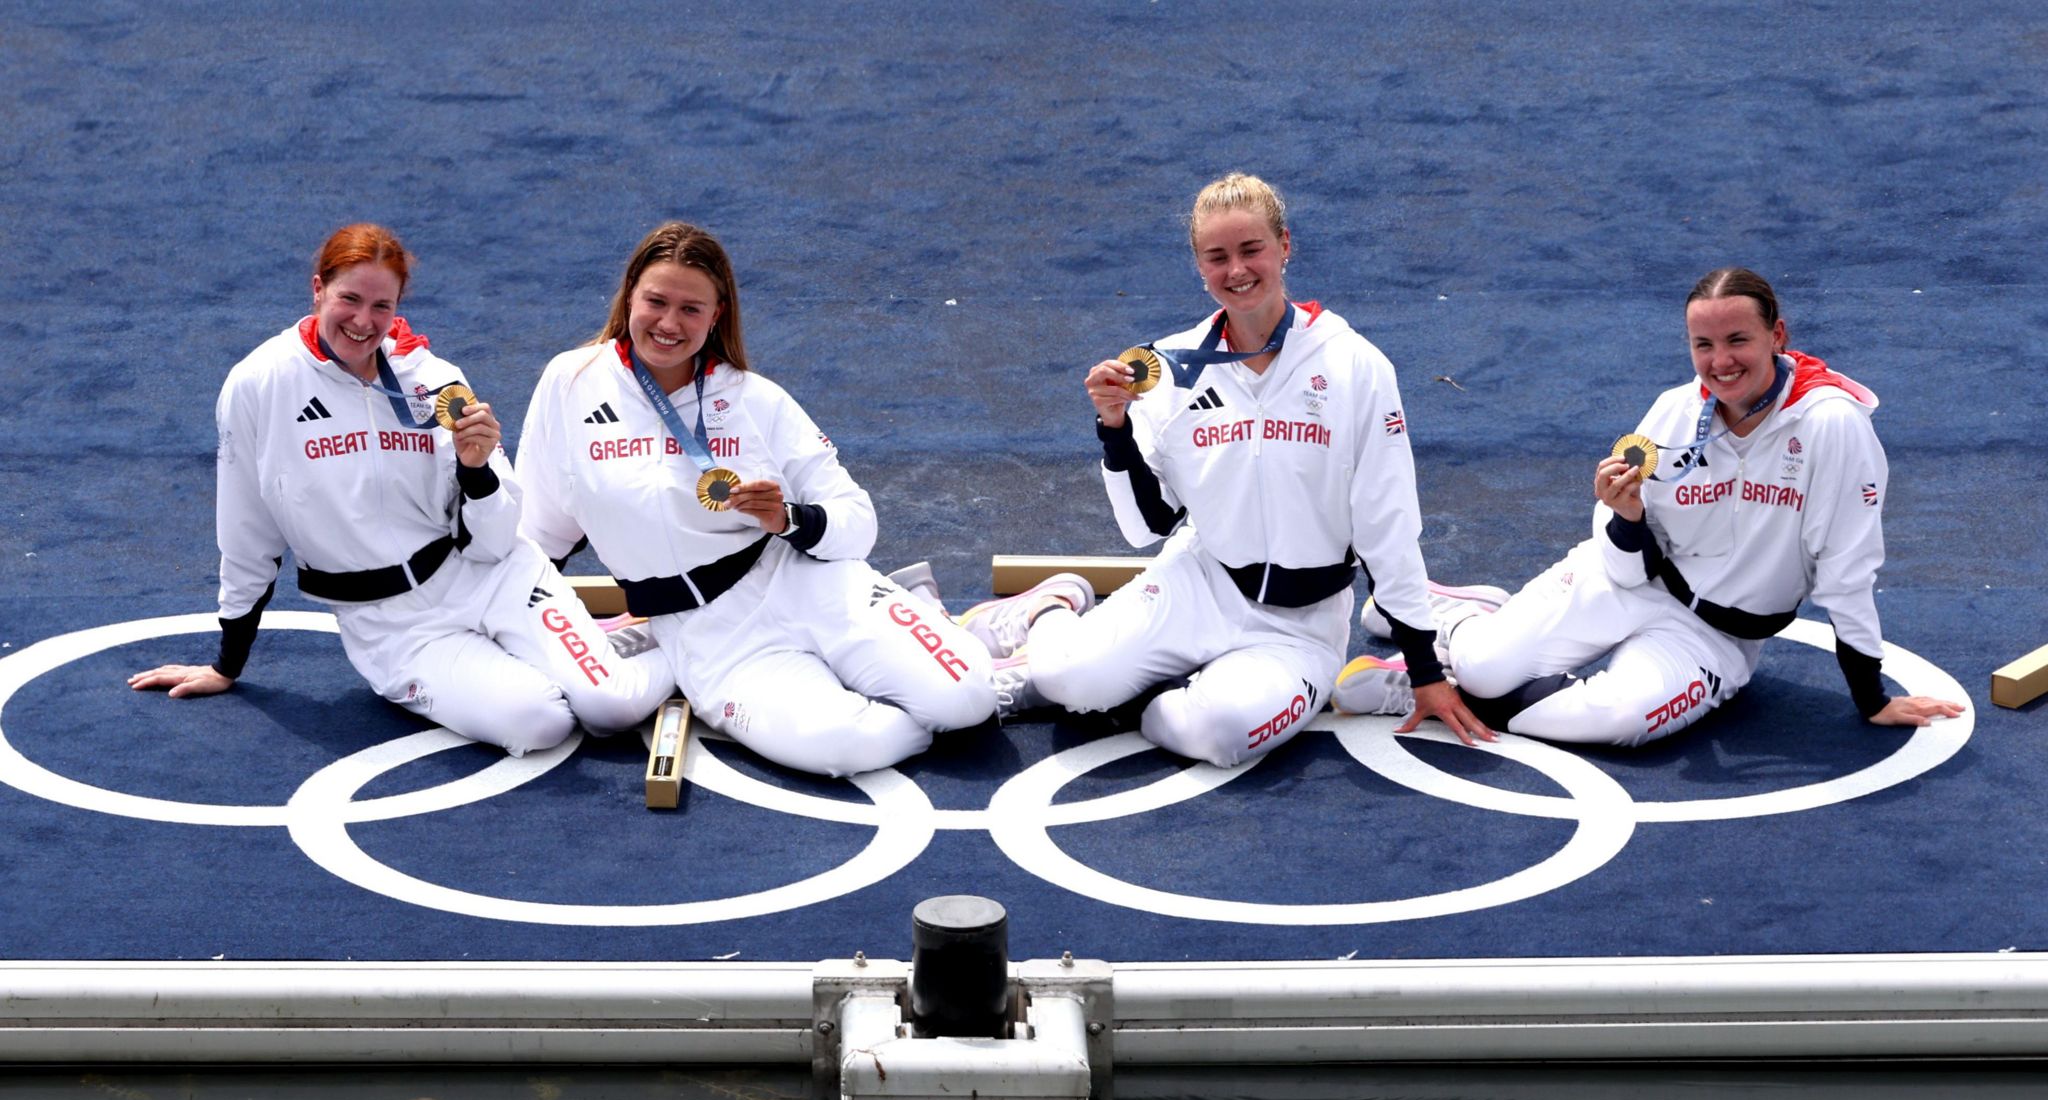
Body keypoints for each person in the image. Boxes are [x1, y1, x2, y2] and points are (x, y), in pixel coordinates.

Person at [957, 173, 1491, 766]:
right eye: (1217, 257)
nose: (1236, 270)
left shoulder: (1356, 367)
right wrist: (1115, 429)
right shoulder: (1170, 368)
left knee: (1222, 736)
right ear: (1199, 267)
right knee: (1065, 681)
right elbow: (1149, 524)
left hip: (1300, 626)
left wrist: (1423, 670)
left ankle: (1153, 691)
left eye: (1251, 249)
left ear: (1285, 246)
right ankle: (1046, 612)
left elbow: (1387, 526)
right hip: (1198, 585)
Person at [1336, 267, 1967, 744]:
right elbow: (1617, 548)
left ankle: (1455, 685)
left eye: (1738, 340)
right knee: (1487, 664)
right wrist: (1626, 519)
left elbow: (1850, 570)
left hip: (1713, 637)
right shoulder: (1675, 412)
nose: (1720, 363)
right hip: (1628, 583)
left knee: (1612, 721)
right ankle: (1459, 623)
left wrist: (1870, 694)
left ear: (1778, 334)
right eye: (1702, 345)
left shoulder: (1833, 427)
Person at [130, 223, 674, 756]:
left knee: (609, 708)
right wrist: (228, 663)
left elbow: (497, 538)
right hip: (396, 630)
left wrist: (477, 471)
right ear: (317, 289)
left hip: (491, 578)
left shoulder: (432, 378)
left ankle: (688, 649)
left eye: (381, 307)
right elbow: (246, 532)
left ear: (397, 307)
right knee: (541, 723)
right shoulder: (260, 386)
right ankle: (596, 653)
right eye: (349, 299)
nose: (364, 322)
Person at [514, 222, 995, 777]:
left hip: (803, 582)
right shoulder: (570, 383)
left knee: (969, 699)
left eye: (692, 309)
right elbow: (540, 533)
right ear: (629, 297)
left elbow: (857, 522)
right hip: (706, 635)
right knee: (844, 747)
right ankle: (908, 637)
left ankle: (936, 631)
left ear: (717, 315)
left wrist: (788, 518)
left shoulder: (753, 398)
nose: (669, 324)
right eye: (656, 301)